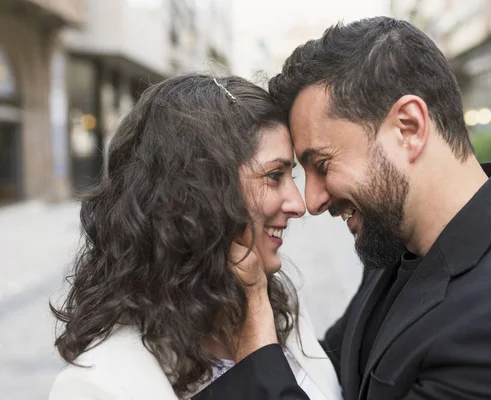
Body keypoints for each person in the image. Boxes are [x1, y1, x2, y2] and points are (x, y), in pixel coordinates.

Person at [196, 17, 491, 400]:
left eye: (321, 165)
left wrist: (256, 333)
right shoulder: (396, 242)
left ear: (408, 127)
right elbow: (334, 371)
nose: (312, 201)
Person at [49, 73, 342, 400]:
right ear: (200, 194)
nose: (298, 204)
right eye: (274, 176)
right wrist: (256, 334)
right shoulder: (101, 384)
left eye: (292, 175)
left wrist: (258, 313)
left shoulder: (283, 311)